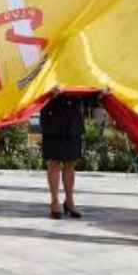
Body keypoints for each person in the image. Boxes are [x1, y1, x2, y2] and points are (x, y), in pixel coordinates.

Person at [40, 88, 98, 219]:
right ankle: (55, 202)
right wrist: (49, 91)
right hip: (52, 119)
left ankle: (69, 201)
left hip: (73, 121)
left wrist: (100, 93)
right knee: (54, 162)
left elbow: (86, 88)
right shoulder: (44, 66)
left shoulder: (77, 68)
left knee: (70, 163)